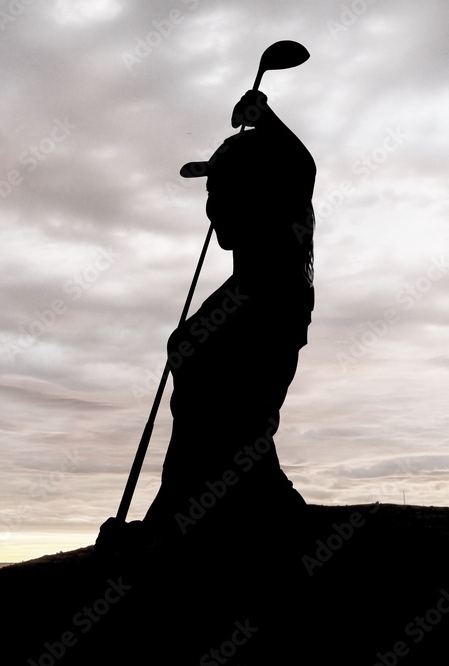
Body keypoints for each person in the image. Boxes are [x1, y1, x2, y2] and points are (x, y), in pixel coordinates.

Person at [98, 90, 316, 553]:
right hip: (198, 508)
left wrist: (267, 118)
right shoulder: (241, 293)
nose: (211, 208)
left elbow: (222, 440)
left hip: (234, 518)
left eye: (221, 190)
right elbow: (192, 443)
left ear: (260, 193)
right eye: (209, 193)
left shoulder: (274, 289)